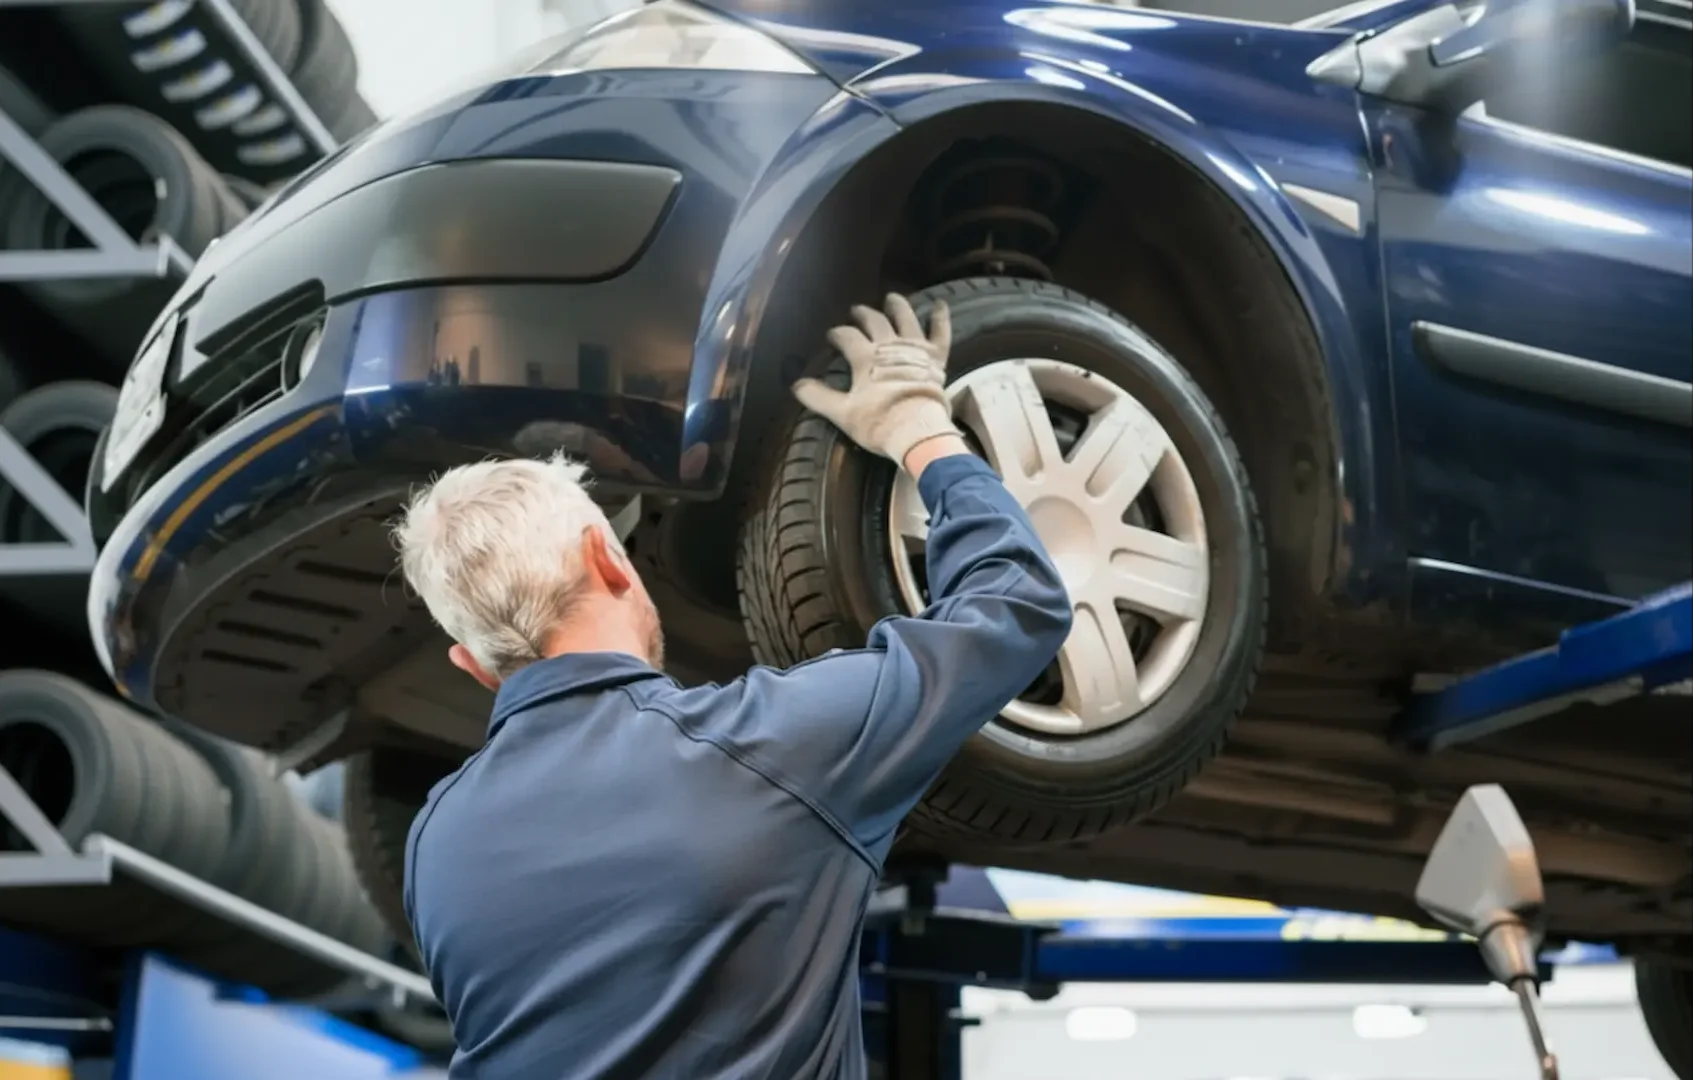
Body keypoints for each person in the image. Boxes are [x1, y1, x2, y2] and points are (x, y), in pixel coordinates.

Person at [395, 294, 1074, 1079]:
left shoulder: (434, 844)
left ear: (471, 664)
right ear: (607, 557)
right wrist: (922, 433)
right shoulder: (770, 748)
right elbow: (1017, 602)